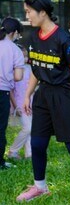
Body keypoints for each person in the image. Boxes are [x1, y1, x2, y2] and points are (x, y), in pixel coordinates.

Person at [16, 0, 70, 205]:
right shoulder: (33, 38)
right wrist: (28, 94)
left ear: (42, 12)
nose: (27, 16)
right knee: (37, 143)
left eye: (29, 12)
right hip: (43, 95)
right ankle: (40, 187)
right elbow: (36, 70)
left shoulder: (63, 39)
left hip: (65, 96)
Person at [0, 17, 25, 170]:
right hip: (2, 92)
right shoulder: (15, 50)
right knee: (0, 128)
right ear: (15, 32)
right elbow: (18, 77)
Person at [8, 46, 31, 160]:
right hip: (19, 103)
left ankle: (29, 153)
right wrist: (15, 106)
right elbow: (11, 90)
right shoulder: (13, 71)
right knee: (28, 128)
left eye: (26, 56)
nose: (24, 59)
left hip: (30, 102)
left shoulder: (29, 68)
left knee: (30, 128)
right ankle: (13, 151)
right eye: (22, 57)